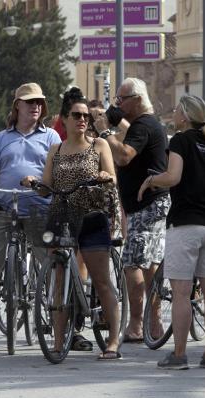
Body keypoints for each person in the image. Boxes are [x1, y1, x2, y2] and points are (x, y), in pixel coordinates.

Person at [21, 87, 122, 359]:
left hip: (91, 216)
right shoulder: (56, 149)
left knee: (101, 281)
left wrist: (103, 174)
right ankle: (57, 341)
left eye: (86, 116)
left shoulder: (98, 145)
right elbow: (47, 188)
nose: (82, 120)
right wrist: (34, 182)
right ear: (64, 119)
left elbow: (112, 177)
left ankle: (112, 341)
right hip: (61, 216)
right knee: (58, 279)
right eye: (76, 115)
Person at [0, 82, 61, 350]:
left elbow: (60, 170)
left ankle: (65, 327)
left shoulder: (51, 137)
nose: (36, 106)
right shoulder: (2, 138)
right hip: (6, 207)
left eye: (40, 102)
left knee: (54, 265)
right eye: (30, 102)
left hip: (39, 209)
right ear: (17, 105)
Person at [138, 94, 205, 369]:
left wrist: (151, 180)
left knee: (181, 292)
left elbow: (173, 177)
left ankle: (179, 355)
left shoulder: (180, 140)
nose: (174, 113)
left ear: (185, 117)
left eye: (177, 109)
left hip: (186, 224)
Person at [92, 77, 169, 342]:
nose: (118, 104)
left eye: (121, 100)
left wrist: (104, 132)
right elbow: (129, 134)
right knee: (149, 265)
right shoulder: (144, 124)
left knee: (133, 264)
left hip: (147, 205)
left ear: (136, 100)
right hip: (148, 204)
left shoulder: (143, 125)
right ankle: (154, 323)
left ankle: (137, 325)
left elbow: (124, 155)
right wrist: (115, 121)